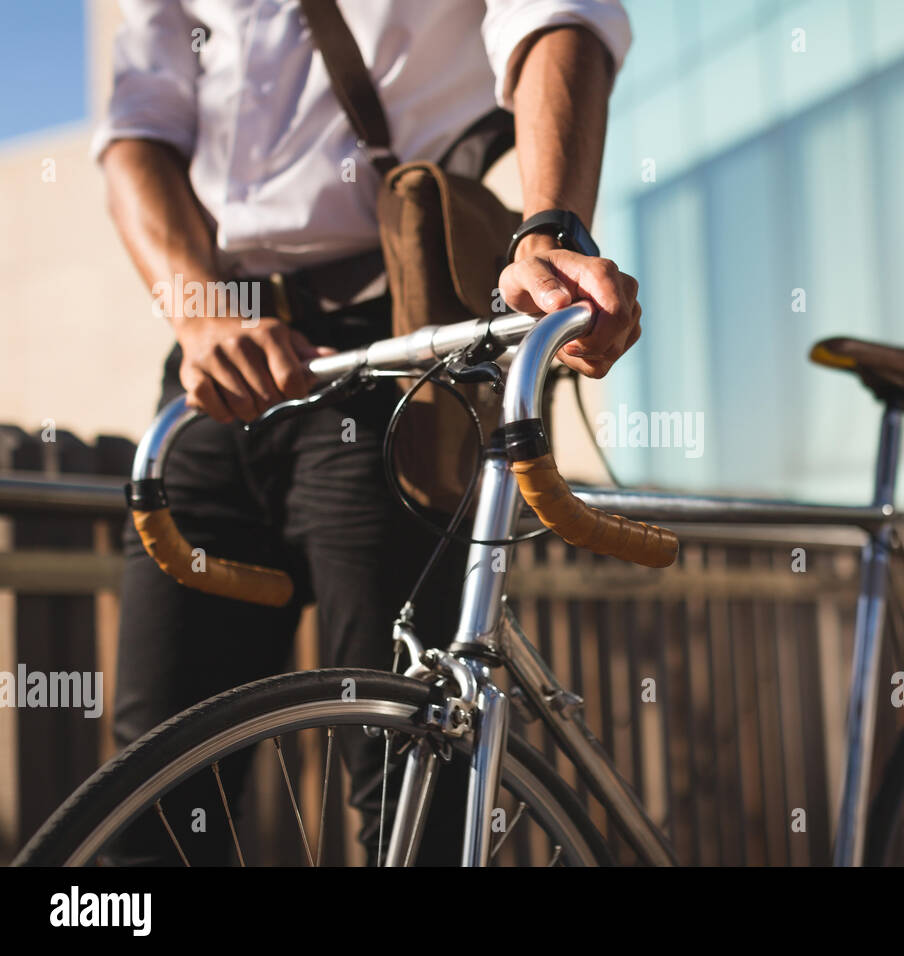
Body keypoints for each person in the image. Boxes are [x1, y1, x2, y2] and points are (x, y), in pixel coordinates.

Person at [95, 0, 641, 864]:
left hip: (397, 354)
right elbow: (139, 128)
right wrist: (201, 318)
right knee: (149, 800)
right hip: (220, 357)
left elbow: (556, 18)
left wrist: (550, 228)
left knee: (407, 781)